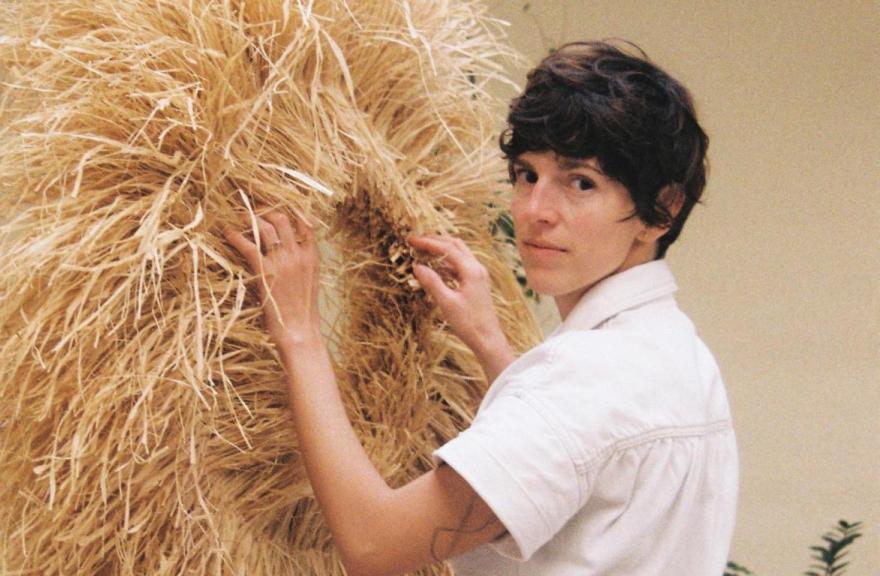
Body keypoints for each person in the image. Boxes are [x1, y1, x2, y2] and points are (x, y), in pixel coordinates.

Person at [224, 40, 738, 576]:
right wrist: (488, 339)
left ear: (662, 211)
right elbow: (583, 462)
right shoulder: (681, 355)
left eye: (581, 182)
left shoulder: (588, 380)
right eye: (527, 174)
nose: (537, 211)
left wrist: (300, 329)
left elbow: (374, 545)